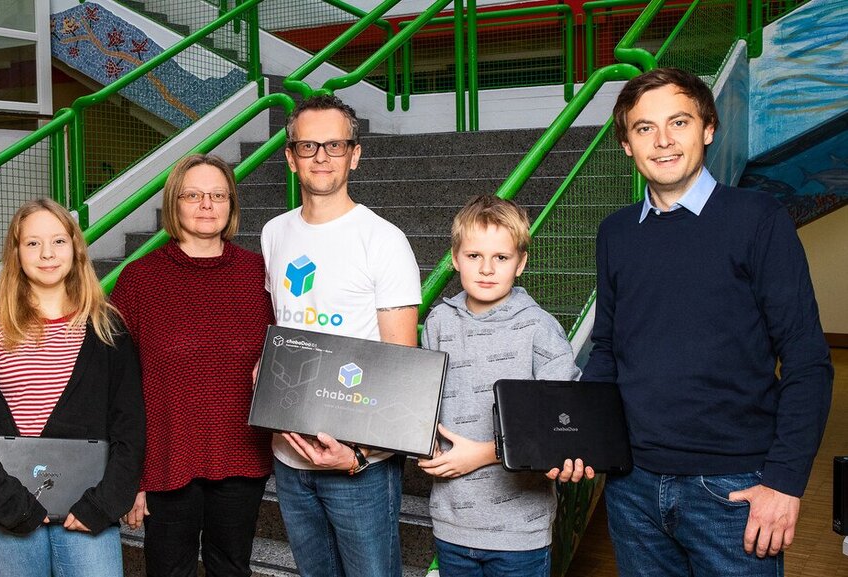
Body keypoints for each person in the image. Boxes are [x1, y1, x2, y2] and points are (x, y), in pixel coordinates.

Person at [582, 67, 833, 576]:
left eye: (679, 122)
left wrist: (784, 483)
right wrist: (581, 439)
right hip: (633, 487)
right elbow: (607, 348)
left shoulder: (758, 218)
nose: (664, 140)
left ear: (708, 128)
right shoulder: (615, 234)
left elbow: (807, 360)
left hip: (734, 488)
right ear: (627, 145)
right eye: (644, 128)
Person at [0, 198, 145, 577]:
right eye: (32, 243)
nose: (47, 253)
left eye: (59, 241)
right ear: (16, 252)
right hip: (1, 509)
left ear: (76, 248)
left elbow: (130, 426)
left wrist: (105, 503)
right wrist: (11, 503)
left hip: (87, 507)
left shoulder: (107, 328)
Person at [260, 94, 421, 577]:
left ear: (355, 153)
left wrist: (356, 456)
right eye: (308, 146)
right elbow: (282, 329)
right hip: (289, 459)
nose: (322, 157)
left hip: (359, 466)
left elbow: (400, 366)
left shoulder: (383, 240)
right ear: (290, 158)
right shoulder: (274, 233)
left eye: (334, 144)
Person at [109, 154, 274, 576]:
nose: (206, 205)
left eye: (218, 195)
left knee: (232, 568)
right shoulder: (139, 279)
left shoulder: (261, 274)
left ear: (231, 205)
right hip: (166, 456)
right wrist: (131, 475)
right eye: (193, 195)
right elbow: (119, 386)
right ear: (173, 204)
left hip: (242, 454)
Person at [418, 195, 592, 576]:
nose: (486, 268)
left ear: (521, 263)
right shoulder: (437, 323)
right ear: (454, 258)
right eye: (474, 255)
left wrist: (485, 453)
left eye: (501, 257)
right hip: (451, 523)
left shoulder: (539, 328)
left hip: (520, 531)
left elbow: (562, 425)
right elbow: (425, 407)